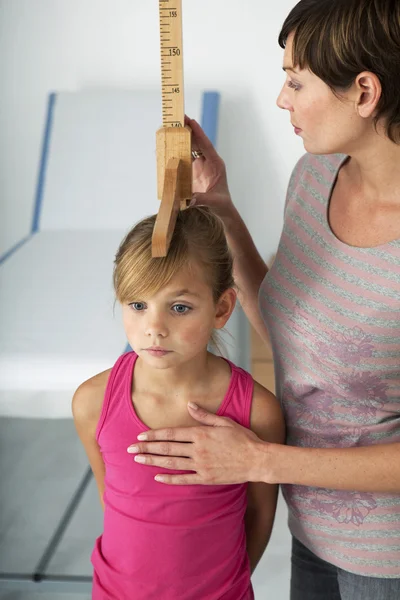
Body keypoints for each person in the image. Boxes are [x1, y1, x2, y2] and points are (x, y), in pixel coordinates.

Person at [127, 0, 400, 598]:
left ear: (364, 91)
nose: (282, 99)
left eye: (296, 80)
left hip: (387, 560)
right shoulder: (315, 176)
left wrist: (260, 463)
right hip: (311, 529)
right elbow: (286, 322)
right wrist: (221, 205)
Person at [72, 206, 285, 599]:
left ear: (221, 308)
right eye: (138, 305)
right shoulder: (92, 402)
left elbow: (260, 516)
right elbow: (111, 499)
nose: (154, 327)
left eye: (180, 307)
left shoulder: (257, 411)